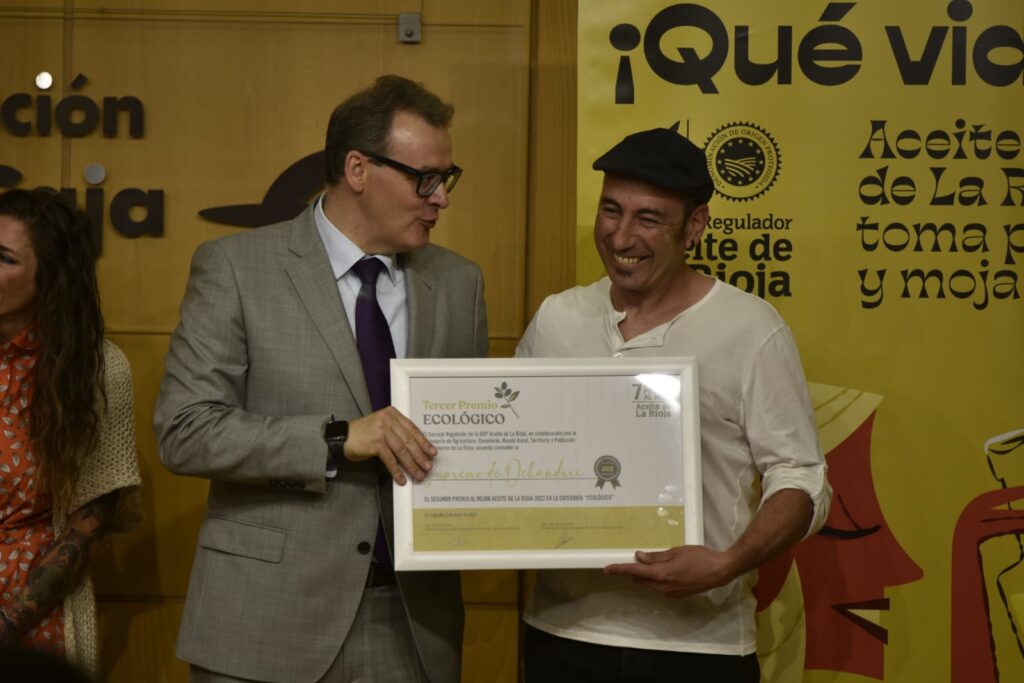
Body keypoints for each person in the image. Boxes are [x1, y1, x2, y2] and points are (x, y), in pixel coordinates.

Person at [154, 75, 487, 683]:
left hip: (411, 625)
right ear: (358, 169)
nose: (441, 198)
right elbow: (186, 431)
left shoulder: (459, 283)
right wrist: (337, 439)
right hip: (266, 618)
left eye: (447, 178)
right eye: (425, 179)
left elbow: (477, 435)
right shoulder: (236, 269)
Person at [515, 123, 831, 681]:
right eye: (611, 211)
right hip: (561, 634)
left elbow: (802, 478)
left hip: (700, 649)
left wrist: (727, 564)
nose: (621, 237)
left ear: (695, 227)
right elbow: (514, 448)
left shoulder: (750, 329)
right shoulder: (557, 319)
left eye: (648, 218)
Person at [0, 188, 143, 679]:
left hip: (34, 617)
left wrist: (8, 623)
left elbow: (89, 525)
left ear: (51, 275)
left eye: (4, 258)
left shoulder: (98, 369)